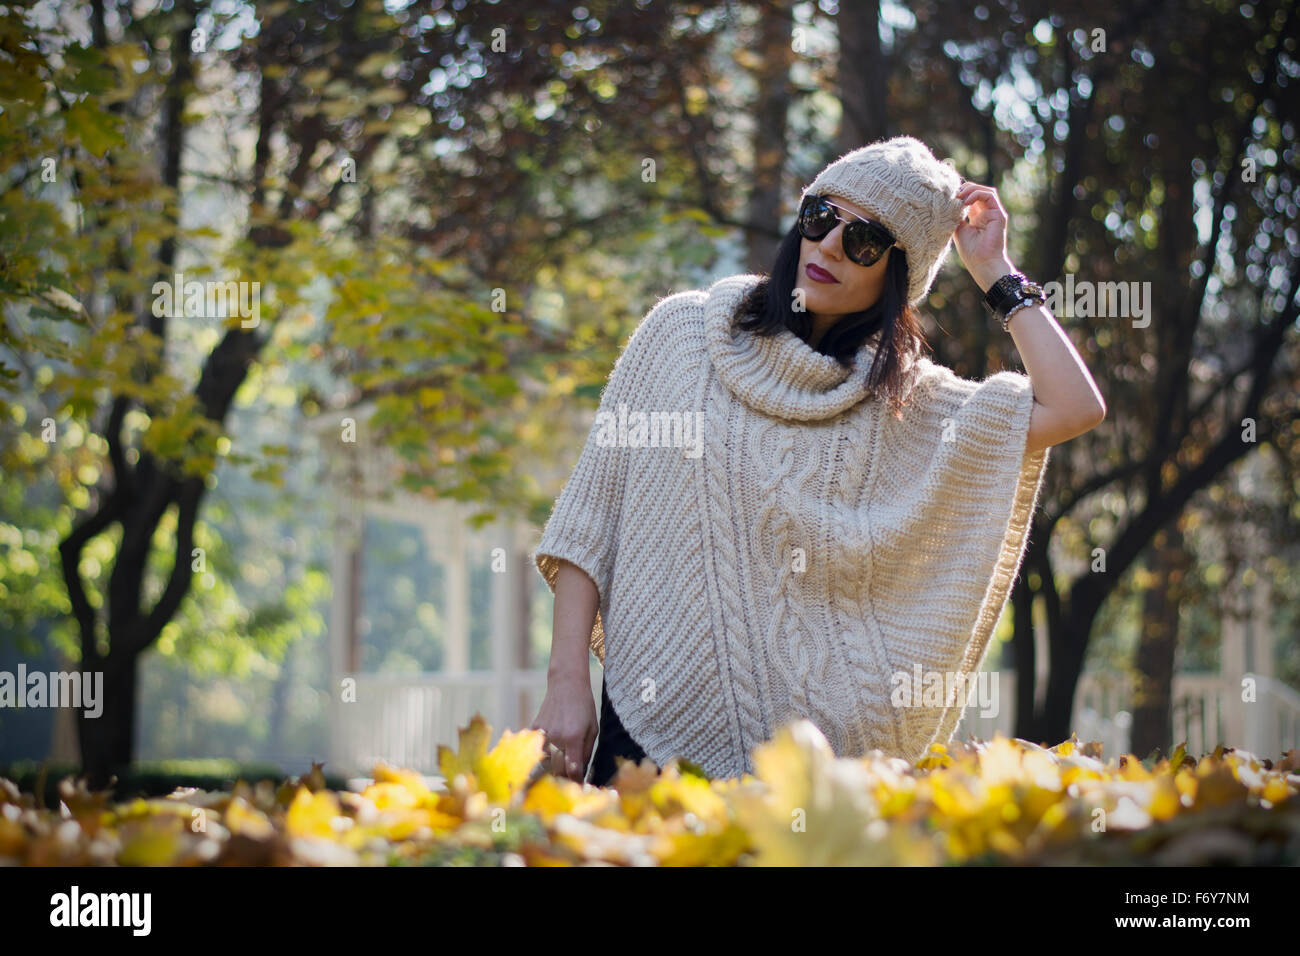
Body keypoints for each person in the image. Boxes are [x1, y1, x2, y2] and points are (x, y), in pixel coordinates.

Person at [530, 136, 1106, 786]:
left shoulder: (907, 405)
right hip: (645, 728)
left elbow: (1075, 407)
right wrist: (566, 682)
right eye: (820, 217)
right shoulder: (681, 335)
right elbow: (590, 524)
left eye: (863, 240)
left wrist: (995, 271)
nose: (829, 245)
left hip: (806, 774)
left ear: (897, 273)